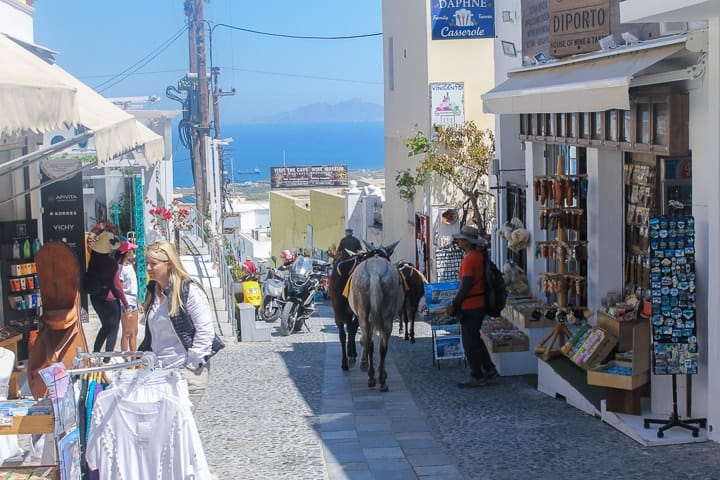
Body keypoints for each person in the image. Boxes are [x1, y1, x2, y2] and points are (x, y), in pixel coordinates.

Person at [139, 240, 217, 410]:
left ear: (169, 264)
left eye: (153, 264)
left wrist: (191, 364)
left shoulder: (189, 291)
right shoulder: (152, 292)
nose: (148, 268)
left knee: (179, 428)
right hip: (160, 373)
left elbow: (205, 331)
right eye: (147, 263)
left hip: (185, 373)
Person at [446, 225, 498, 388]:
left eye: (461, 238)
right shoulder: (480, 255)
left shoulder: (469, 259)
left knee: (469, 343)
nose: (458, 240)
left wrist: (454, 304)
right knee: (475, 338)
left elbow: (466, 285)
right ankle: (489, 369)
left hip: (471, 305)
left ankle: (477, 375)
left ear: (467, 242)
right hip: (480, 303)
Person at [86, 223, 129, 357]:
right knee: (113, 328)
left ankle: (96, 353)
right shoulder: (111, 263)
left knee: (105, 326)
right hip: (109, 299)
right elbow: (116, 286)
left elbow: (93, 235)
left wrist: (98, 230)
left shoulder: (93, 258)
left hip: (95, 297)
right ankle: (107, 359)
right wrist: (126, 304)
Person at [117, 240, 142, 352]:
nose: (133, 251)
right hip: (126, 303)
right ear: (127, 252)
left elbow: (133, 286)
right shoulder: (120, 269)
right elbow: (120, 290)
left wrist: (138, 302)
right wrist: (126, 307)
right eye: (131, 250)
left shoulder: (131, 265)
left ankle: (133, 356)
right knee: (127, 332)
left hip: (133, 301)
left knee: (134, 331)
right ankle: (125, 357)